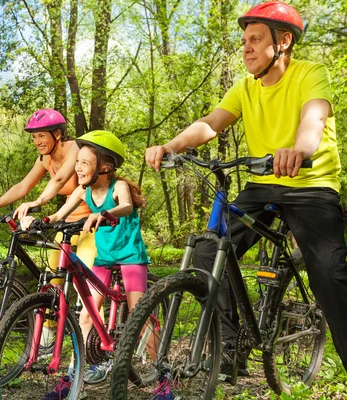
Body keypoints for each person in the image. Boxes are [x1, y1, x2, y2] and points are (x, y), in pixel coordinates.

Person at [144, 0, 347, 379]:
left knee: (332, 275)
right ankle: (231, 347)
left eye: (255, 39)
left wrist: (300, 150)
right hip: (261, 187)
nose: (246, 48)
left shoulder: (310, 74)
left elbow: (314, 116)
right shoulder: (245, 88)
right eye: (243, 41)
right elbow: (211, 123)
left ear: (283, 42)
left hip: (309, 184)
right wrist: (173, 145)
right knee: (207, 249)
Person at [22, 130, 155, 396]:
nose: (77, 167)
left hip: (130, 255)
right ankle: (76, 378)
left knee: (140, 314)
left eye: (84, 162)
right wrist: (38, 220)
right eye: (77, 162)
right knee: (86, 315)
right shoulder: (83, 191)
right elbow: (60, 213)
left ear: (104, 166)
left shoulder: (119, 187)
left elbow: (126, 206)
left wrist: (105, 213)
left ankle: (159, 369)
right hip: (104, 257)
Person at [0, 107, 96, 273]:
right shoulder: (44, 159)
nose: (36, 141)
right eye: (34, 137)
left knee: (86, 276)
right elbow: (22, 187)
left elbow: (59, 180)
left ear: (57, 134)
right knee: (53, 275)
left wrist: (37, 202)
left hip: (92, 222)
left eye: (41, 135)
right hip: (68, 223)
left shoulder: (75, 148)